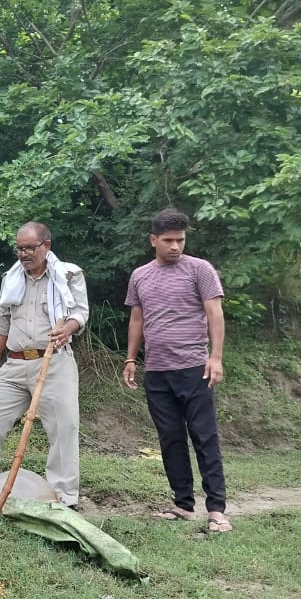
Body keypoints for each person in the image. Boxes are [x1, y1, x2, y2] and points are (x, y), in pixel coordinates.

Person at [123, 208, 232, 533]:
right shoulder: (140, 276)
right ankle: (183, 504)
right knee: (170, 438)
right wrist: (131, 359)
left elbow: (215, 314)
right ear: (153, 240)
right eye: (168, 240)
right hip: (156, 371)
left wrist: (215, 357)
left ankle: (216, 510)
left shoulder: (200, 270)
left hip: (194, 369)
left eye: (180, 240)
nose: (175, 246)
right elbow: (137, 320)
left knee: (204, 437)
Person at [0, 222, 89, 506]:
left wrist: (68, 329)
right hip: (14, 364)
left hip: (53, 362)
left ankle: (64, 498)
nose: (24, 254)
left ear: (46, 246)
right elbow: (3, 323)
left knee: (64, 426)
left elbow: (80, 312)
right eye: (20, 248)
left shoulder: (69, 274)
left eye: (30, 248)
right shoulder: (11, 278)